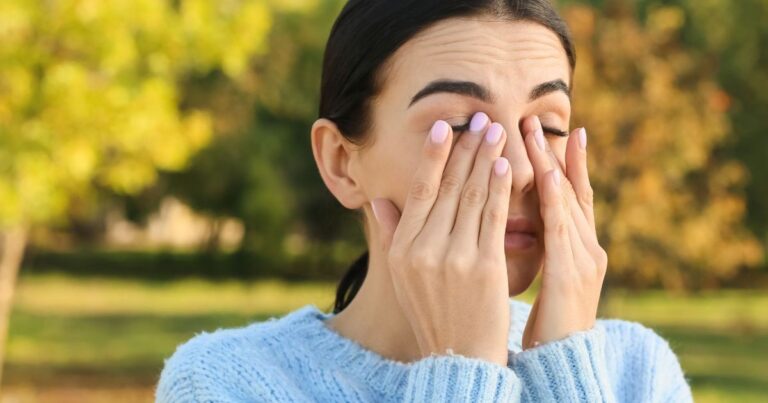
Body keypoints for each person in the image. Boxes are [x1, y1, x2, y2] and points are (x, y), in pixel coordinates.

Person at [156, 0, 693, 401]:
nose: (523, 170)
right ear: (341, 163)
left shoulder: (635, 374)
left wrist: (568, 371)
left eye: (548, 127)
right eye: (462, 125)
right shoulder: (226, 382)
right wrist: (463, 372)